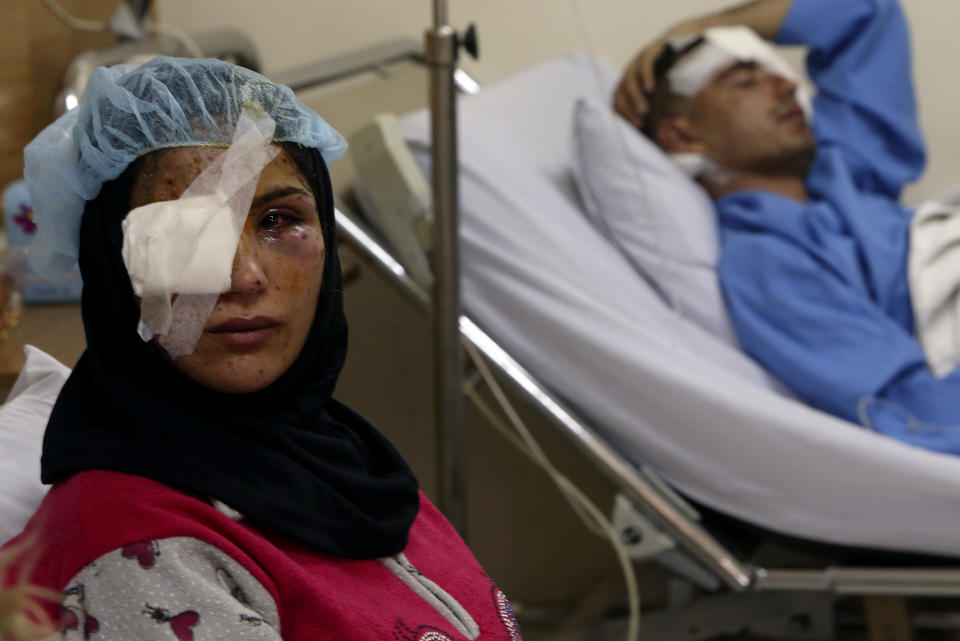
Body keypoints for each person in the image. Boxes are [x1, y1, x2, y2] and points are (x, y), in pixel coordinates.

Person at [1, 57, 522, 641]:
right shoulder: (141, 549)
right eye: (186, 234)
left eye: (279, 220)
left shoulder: (350, 469)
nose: (244, 275)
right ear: (111, 267)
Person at [613, 0, 960, 452]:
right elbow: (912, 412)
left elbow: (868, 14)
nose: (785, 84)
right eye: (743, 81)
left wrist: (703, 26)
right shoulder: (769, 265)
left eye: (770, 71)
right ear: (683, 137)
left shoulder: (843, 172)